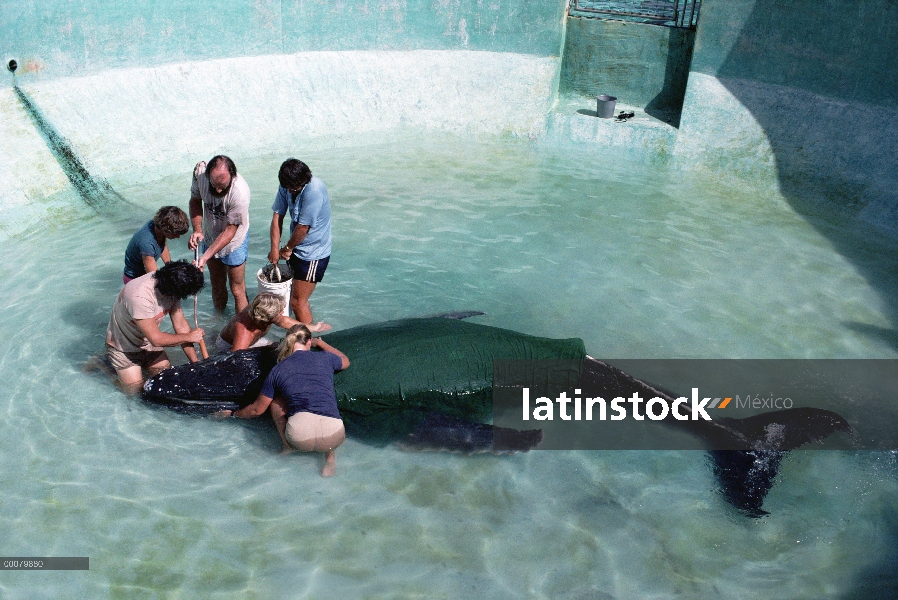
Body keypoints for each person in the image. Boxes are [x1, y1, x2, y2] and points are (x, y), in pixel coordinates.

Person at [223, 325, 349, 477]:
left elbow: (257, 410)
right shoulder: (325, 358)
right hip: (334, 437)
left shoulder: (278, 369)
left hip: (298, 438)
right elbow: (345, 360)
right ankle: (329, 457)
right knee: (324, 400)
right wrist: (321, 344)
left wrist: (233, 414)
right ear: (308, 341)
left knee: (276, 401)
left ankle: (288, 445)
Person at [105, 260, 206, 393]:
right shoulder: (139, 296)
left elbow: (180, 325)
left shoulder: (173, 282)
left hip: (148, 342)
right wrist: (189, 337)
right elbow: (156, 339)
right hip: (123, 348)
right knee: (135, 392)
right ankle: (104, 365)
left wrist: (196, 363)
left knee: (166, 381)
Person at [268, 158, 332, 325]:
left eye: (294, 188)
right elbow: (277, 216)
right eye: (287, 188)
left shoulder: (314, 190)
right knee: (297, 298)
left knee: (297, 302)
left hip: (313, 253)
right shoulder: (287, 186)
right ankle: (305, 332)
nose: (290, 191)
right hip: (296, 248)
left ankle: (311, 342)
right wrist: (275, 248)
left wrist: (287, 248)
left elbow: (303, 228)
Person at [188, 156, 251, 313]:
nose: (218, 191)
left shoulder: (240, 193)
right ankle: (218, 321)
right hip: (210, 235)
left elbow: (231, 230)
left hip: (234, 241)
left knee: (237, 289)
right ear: (208, 175)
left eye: (223, 187)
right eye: (214, 185)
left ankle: (242, 329)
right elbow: (195, 200)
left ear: (232, 177)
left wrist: (205, 256)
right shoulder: (199, 174)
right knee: (217, 284)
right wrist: (197, 229)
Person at [215, 292, 332, 352]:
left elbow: (284, 321)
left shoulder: (260, 310)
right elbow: (235, 359)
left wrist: (313, 327)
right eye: (279, 312)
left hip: (253, 342)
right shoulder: (244, 333)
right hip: (230, 347)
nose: (282, 313)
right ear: (268, 317)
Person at [122, 206, 190, 284]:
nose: (178, 237)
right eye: (175, 234)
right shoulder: (147, 243)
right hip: (134, 280)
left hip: (144, 274)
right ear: (165, 230)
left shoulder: (156, 226)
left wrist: (171, 267)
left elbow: (162, 245)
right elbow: (154, 277)